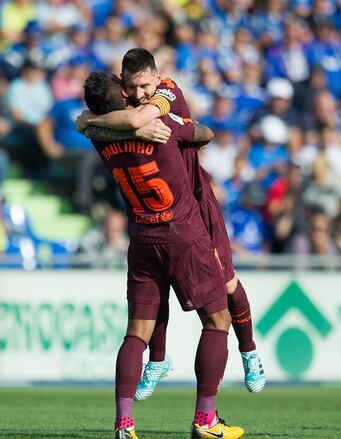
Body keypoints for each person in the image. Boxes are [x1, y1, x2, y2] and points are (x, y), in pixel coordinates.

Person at [77, 48, 265, 397]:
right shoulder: (131, 107)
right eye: (131, 88)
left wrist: (91, 122)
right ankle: (158, 360)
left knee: (226, 283)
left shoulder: (167, 93)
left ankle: (249, 351)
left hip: (197, 202)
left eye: (143, 85)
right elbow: (95, 121)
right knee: (155, 289)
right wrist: (90, 121)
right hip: (164, 214)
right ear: (121, 83)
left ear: (155, 75)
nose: (138, 94)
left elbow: (128, 122)